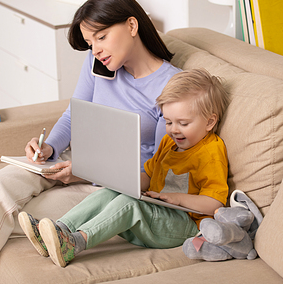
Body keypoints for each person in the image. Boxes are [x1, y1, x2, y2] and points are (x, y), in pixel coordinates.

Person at [0, 0, 181, 284]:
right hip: (68, 162)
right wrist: (48, 147)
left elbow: (160, 173)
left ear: (132, 26)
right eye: (89, 42)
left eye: (101, 37)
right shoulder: (98, 63)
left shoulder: (172, 85)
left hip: (108, 190)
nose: (95, 49)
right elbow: (73, 115)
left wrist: (85, 172)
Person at [19, 68, 230, 267]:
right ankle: (60, 230)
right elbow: (149, 174)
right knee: (112, 191)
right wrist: (123, 181)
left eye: (183, 123)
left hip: (184, 226)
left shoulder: (211, 152)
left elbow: (215, 203)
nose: (174, 130)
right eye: (168, 122)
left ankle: (75, 243)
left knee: (130, 203)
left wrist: (177, 198)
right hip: (155, 215)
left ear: (210, 122)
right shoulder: (169, 143)